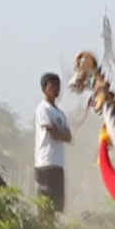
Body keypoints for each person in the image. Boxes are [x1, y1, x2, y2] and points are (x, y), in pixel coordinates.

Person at [34, 73, 72, 214]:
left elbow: (68, 136)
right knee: (45, 205)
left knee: (56, 207)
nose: (56, 88)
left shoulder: (60, 113)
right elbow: (54, 133)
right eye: (52, 85)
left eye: (58, 85)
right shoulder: (43, 109)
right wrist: (60, 133)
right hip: (45, 163)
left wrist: (60, 133)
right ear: (44, 88)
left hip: (58, 163)